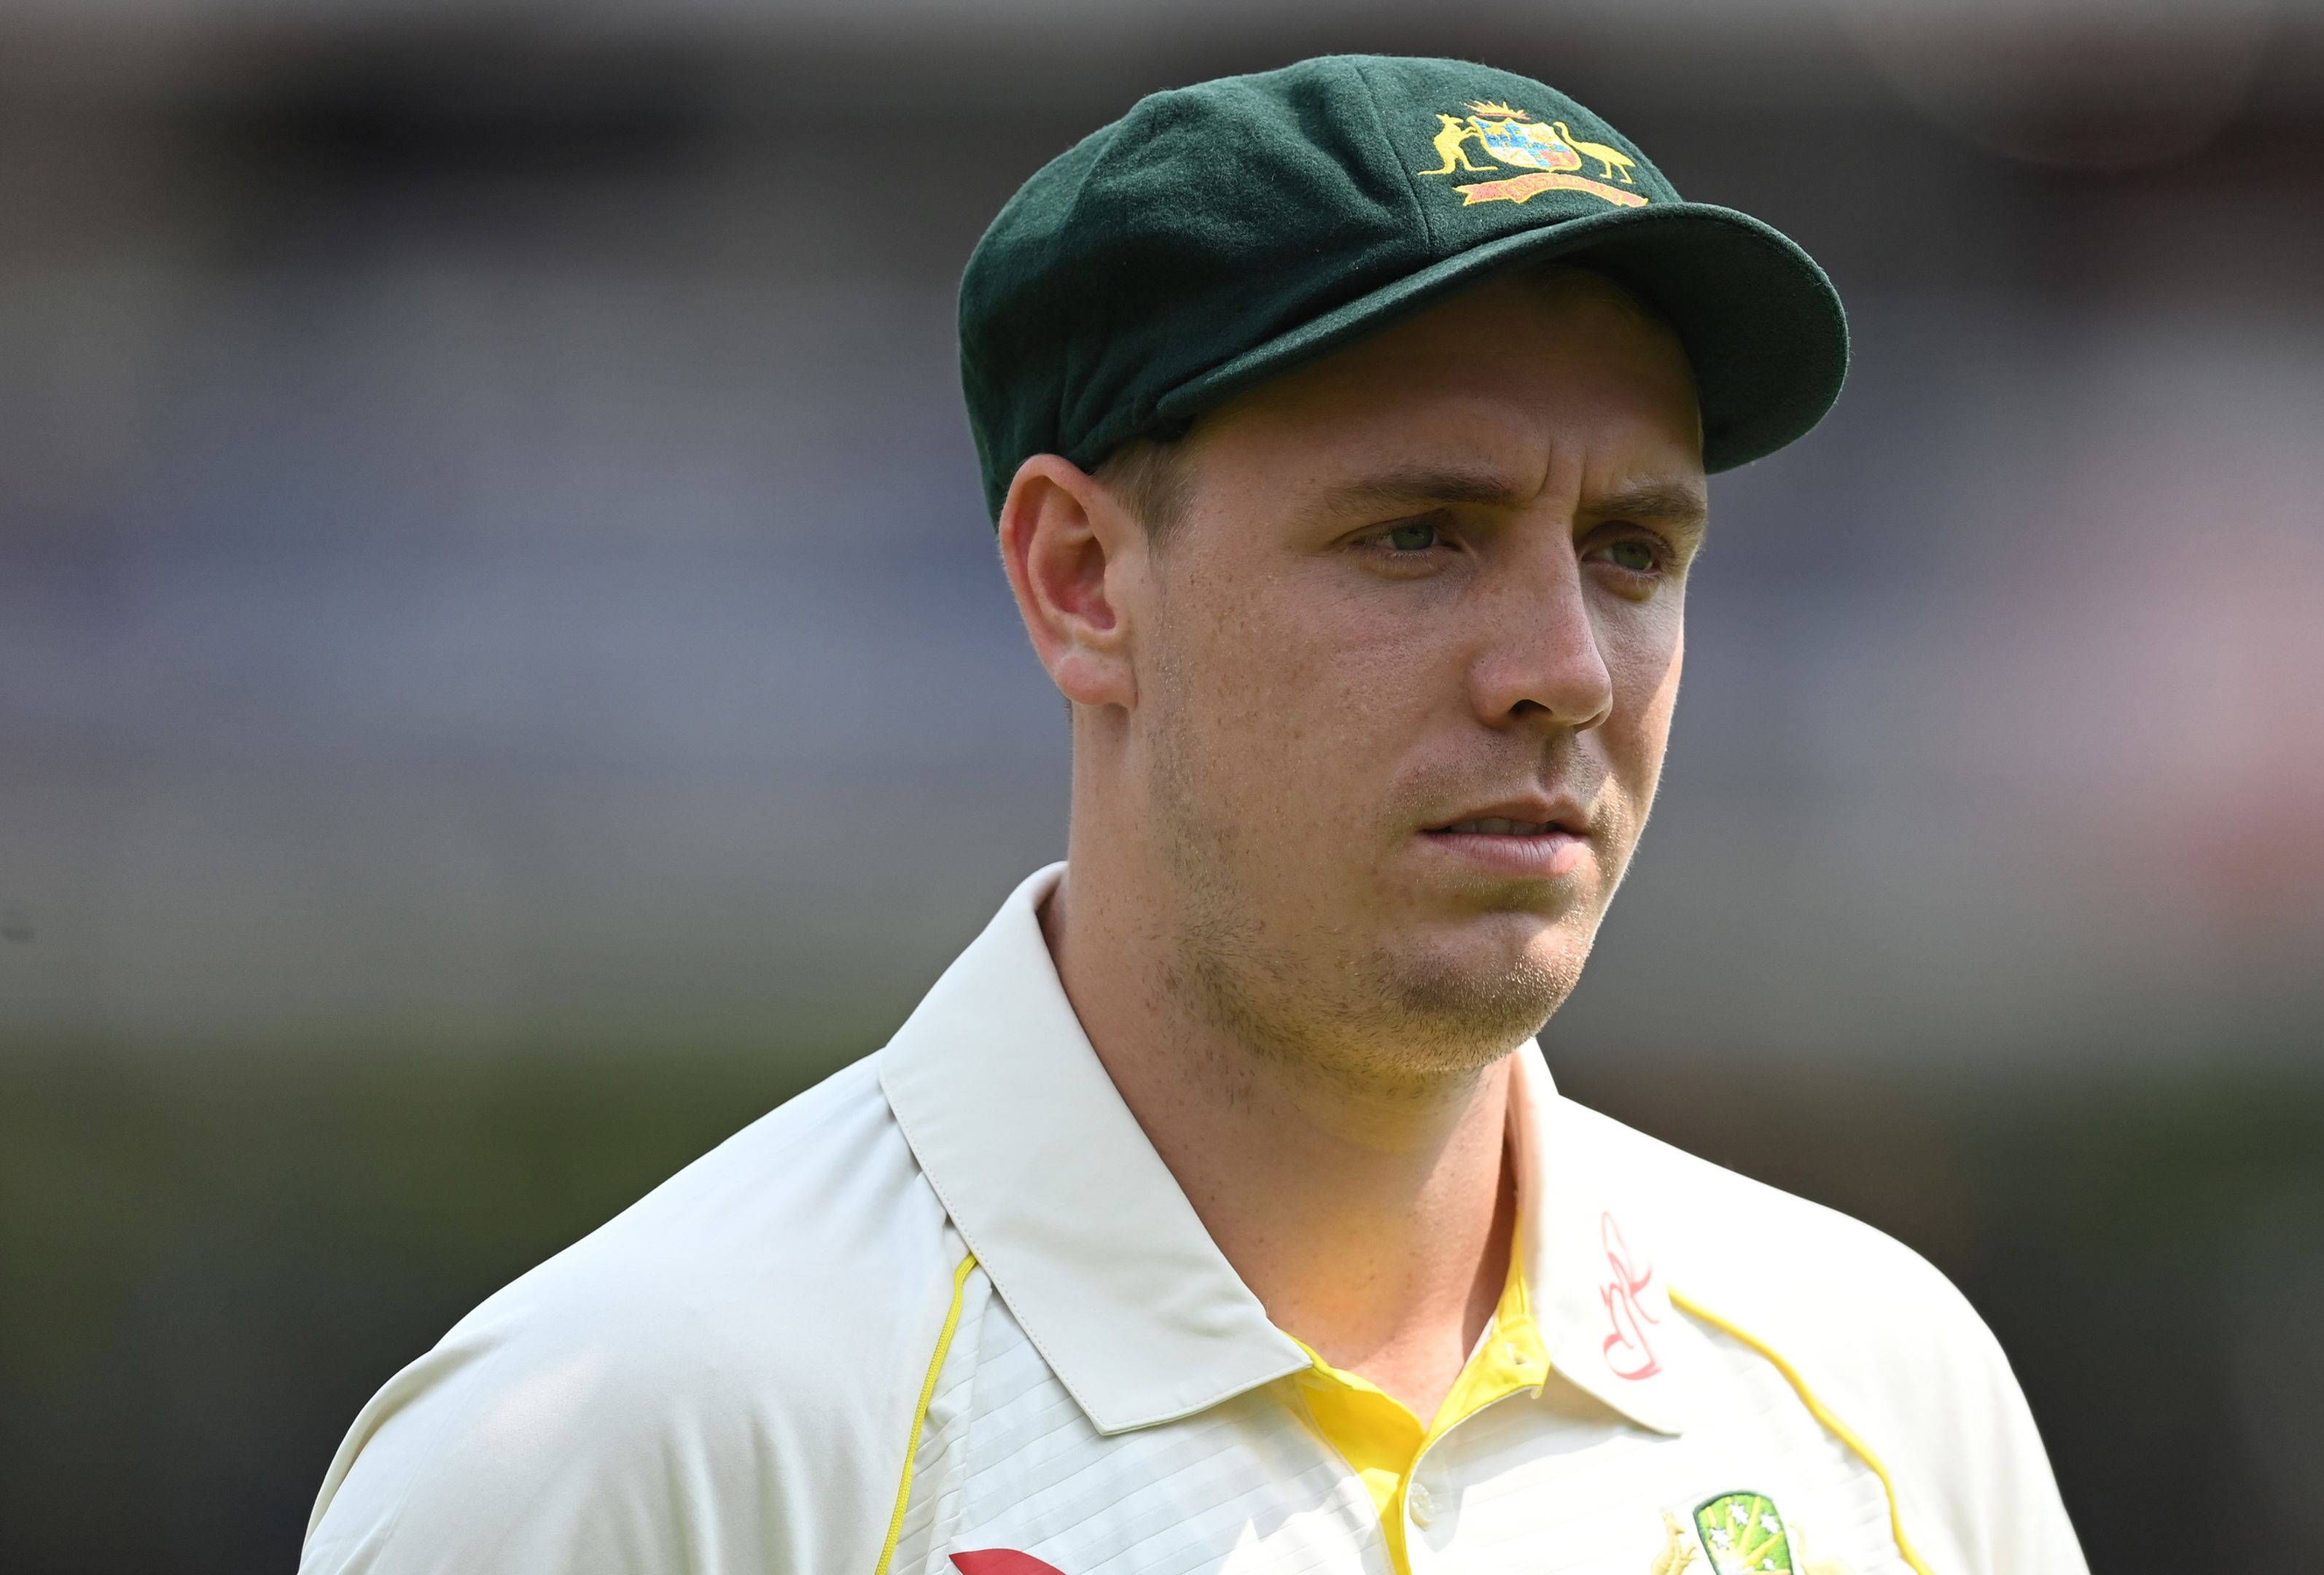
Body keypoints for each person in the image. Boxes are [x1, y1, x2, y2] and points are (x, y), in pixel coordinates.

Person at [299, 55, 2086, 1575]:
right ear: (1081, 579)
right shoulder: (627, 1439)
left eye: (1634, 551)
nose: (1568, 668)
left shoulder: (1883, 1398)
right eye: (1419, 533)